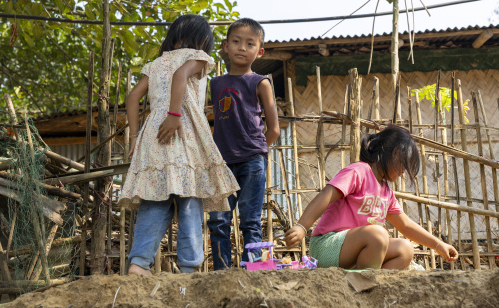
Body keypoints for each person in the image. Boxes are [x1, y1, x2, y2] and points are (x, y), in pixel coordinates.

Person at [118, 14, 240, 276]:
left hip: (154, 134)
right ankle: (190, 267)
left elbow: (132, 98)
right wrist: (174, 114)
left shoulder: (155, 63)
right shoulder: (197, 57)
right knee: (189, 200)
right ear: (204, 40)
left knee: (155, 200)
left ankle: (139, 263)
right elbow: (180, 74)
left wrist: (136, 136)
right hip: (182, 132)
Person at [285, 125, 458, 270]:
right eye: (404, 164)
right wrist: (302, 226)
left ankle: (367, 283)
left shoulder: (386, 192)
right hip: (327, 247)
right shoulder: (358, 171)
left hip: (357, 254)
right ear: (394, 153)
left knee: (405, 249)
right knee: (378, 234)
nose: (404, 171)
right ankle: (363, 279)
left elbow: (405, 225)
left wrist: (437, 245)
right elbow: (327, 194)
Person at [207, 18, 280, 269]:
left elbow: (274, 129)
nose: (241, 47)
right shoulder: (215, 83)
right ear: (225, 46)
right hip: (221, 164)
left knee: (250, 221)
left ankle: (254, 271)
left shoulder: (260, 82)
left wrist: (255, 151)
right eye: (236, 42)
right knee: (218, 222)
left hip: (252, 162)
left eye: (249, 44)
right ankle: (222, 273)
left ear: (259, 51)